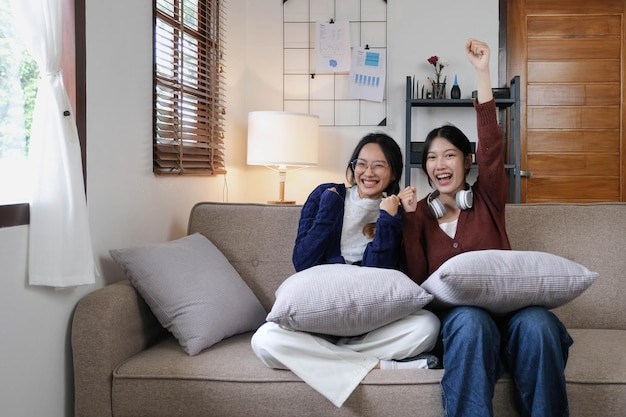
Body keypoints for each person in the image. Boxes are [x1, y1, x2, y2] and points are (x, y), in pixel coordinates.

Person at [399, 39, 573, 417]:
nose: (439, 164)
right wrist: (410, 221)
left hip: (513, 321)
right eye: (431, 158)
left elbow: (493, 146)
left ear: (468, 161)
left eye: (449, 155)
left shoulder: (488, 200)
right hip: (462, 328)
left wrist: (482, 72)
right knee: (471, 321)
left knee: (540, 323)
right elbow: (415, 283)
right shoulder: (420, 216)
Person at [251, 132, 441, 408]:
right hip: (319, 316)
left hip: (369, 317)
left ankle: (321, 357)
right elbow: (303, 262)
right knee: (265, 341)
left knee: (427, 326)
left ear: (393, 172)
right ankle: (383, 367)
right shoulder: (325, 195)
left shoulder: (394, 210)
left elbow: (379, 272)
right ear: (352, 166)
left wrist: (388, 219)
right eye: (361, 163)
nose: (368, 172)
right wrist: (329, 209)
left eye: (379, 165)